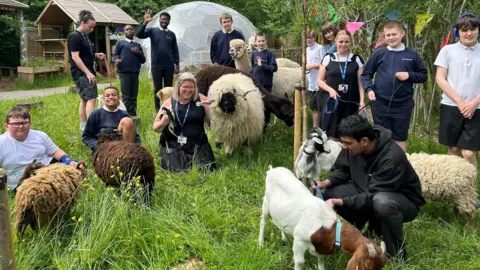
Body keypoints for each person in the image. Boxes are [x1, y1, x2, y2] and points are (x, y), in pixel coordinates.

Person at [315, 115, 425, 259]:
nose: (344, 146)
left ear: (365, 141)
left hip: (402, 201)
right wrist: (324, 183)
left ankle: (396, 254)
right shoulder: (353, 145)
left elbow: (372, 196)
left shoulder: (391, 158)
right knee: (327, 192)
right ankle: (368, 231)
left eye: (347, 143)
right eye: (343, 142)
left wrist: (339, 202)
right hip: (368, 190)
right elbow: (343, 170)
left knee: (382, 203)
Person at [361, 20, 428, 152]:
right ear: (384, 36)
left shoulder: (412, 55)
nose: (391, 38)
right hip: (380, 103)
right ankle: (382, 167)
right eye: (388, 35)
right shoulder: (379, 53)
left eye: (394, 34)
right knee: (381, 137)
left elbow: (423, 76)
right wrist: (369, 89)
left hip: (403, 105)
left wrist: (409, 75)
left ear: (402, 33)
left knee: (400, 138)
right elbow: (366, 74)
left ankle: (401, 167)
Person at [434, 12, 480, 168]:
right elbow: (440, 78)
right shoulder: (447, 50)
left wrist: (473, 103)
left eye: (472, 29)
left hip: (477, 108)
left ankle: (471, 189)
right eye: (464, 30)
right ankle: (453, 189)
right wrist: (459, 101)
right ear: (457, 32)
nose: (468, 33)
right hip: (451, 106)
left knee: (469, 153)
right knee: (453, 149)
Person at [0, 107, 83, 189]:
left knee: (77, 169)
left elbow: (54, 152)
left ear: (30, 124)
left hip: (46, 170)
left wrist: (69, 161)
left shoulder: (40, 135)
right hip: (21, 182)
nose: (21, 126)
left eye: (25, 123)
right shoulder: (2, 142)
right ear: (7, 126)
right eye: (16, 124)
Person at [153, 73, 216, 172]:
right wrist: (164, 122)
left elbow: (215, 118)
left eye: (192, 87)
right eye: (185, 87)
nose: (188, 90)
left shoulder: (202, 100)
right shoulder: (169, 102)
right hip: (174, 144)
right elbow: (156, 128)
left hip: (198, 143)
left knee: (207, 169)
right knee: (177, 171)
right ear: (178, 87)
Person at [317, 30, 365, 138]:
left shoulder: (356, 59)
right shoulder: (328, 58)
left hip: (350, 101)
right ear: (336, 41)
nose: (343, 44)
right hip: (332, 101)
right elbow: (319, 80)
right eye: (341, 41)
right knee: (330, 130)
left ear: (350, 43)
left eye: (346, 42)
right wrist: (330, 90)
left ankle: (347, 153)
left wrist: (362, 100)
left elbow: (360, 82)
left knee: (349, 131)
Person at [68, 10, 106, 131]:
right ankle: (92, 127)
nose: (92, 29)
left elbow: (84, 53)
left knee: (85, 98)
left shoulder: (84, 36)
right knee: (91, 98)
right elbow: (75, 56)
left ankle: (83, 125)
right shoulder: (74, 36)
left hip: (87, 70)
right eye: (90, 27)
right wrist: (88, 73)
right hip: (82, 72)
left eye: (93, 27)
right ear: (83, 23)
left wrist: (96, 55)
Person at [137, 10, 180, 112]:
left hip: (169, 65)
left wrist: (177, 64)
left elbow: (175, 50)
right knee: (157, 88)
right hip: (156, 65)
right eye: (162, 19)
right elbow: (139, 34)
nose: (164, 21)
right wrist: (145, 23)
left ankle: (169, 108)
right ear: (159, 20)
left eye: (166, 20)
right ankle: (158, 110)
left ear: (169, 21)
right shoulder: (153, 31)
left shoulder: (171, 34)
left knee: (169, 88)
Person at [82, 86, 140, 153]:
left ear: (119, 98)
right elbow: (86, 137)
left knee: (127, 121)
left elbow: (134, 136)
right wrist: (98, 146)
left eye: (114, 95)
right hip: (103, 149)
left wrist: (137, 149)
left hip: (121, 147)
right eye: (107, 96)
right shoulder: (96, 114)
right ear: (103, 99)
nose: (110, 97)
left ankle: (128, 154)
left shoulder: (124, 114)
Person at [113, 24, 146, 116]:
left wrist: (138, 52)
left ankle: (133, 111)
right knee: (126, 95)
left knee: (134, 94)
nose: (129, 31)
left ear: (134, 32)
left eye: (131, 29)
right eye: (127, 30)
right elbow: (115, 55)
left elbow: (143, 60)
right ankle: (125, 113)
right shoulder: (120, 43)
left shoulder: (137, 45)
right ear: (124, 32)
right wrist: (116, 60)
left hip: (135, 72)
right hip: (124, 72)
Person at [250, 32, 278, 132]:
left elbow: (274, 68)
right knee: (257, 105)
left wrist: (263, 66)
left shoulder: (270, 54)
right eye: (259, 41)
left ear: (265, 41)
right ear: (255, 42)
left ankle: (266, 126)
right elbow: (253, 67)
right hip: (256, 85)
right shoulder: (254, 54)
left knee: (266, 106)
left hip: (266, 85)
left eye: (262, 41)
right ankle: (258, 126)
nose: (261, 43)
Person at [306, 31, 327, 129]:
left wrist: (312, 65)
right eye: (306, 38)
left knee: (321, 106)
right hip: (311, 83)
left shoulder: (320, 48)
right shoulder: (306, 49)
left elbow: (326, 64)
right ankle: (315, 128)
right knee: (314, 107)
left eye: (310, 37)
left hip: (321, 83)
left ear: (314, 38)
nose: (308, 40)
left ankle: (324, 127)